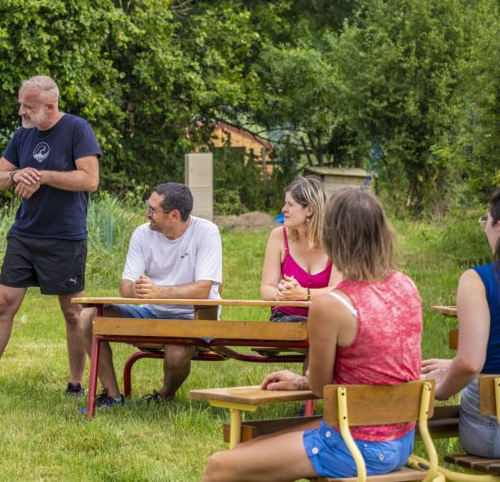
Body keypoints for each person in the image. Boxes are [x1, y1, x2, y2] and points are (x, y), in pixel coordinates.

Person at [202, 189, 423, 482]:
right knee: (254, 444)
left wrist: (305, 381)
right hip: (401, 439)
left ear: (332, 237)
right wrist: (300, 380)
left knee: (220, 465)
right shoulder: (406, 287)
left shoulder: (331, 306)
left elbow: (320, 387)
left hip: (354, 445)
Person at [0, 75, 101, 397]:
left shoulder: (77, 129)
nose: (21, 111)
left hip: (65, 236)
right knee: (4, 303)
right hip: (24, 234)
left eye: (27, 106)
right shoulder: (23, 136)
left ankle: (77, 383)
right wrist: (16, 173)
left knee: (73, 312)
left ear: (50, 106)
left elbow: (90, 180)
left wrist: (42, 176)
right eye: (20, 104)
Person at [78, 182, 223, 410]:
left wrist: (159, 292)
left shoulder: (206, 232)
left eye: (153, 210)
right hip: (149, 312)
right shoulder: (142, 234)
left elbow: (202, 290)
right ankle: (113, 397)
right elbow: (125, 284)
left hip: (192, 316)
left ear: (174, 215)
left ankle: (164, 396)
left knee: (175, 355)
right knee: (87, 317)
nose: (147, 214)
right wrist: (137, 289)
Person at [421, 187, 500, 458]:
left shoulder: (478, 280)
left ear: (498, 226)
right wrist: (452, 363)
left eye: (485, 220)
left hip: (493, 429)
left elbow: (469, 364)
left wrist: (439, 391)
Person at [259, 177, 341, 321]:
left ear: (309, 209)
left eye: (290, 204)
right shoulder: (278, 236)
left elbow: (338, 291)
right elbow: (267, 288)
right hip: (285, 319)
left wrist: (304, 294)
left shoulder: (336, 241)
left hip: (324, 320)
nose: (283, 209)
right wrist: (282, 293)